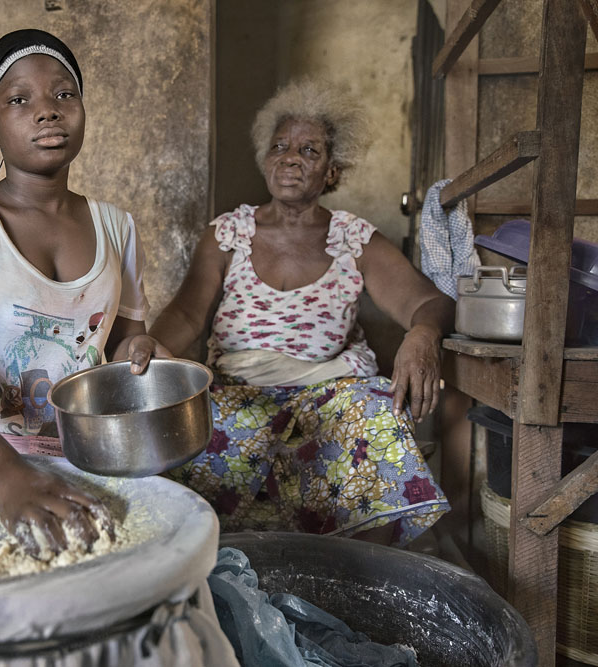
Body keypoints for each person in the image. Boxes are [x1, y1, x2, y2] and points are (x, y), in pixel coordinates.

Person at [139, 79, 453, 546]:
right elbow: (187, 314)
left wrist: (422, 336)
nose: (290, 157)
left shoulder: (354, 238)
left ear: (332, 171)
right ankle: (227, 562)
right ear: (265, 159)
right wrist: (152, 350)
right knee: (180, 431)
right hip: (239, 396)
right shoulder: (229, 233)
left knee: (376, 411)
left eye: (309, 150)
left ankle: (360, 570)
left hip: (330, 393)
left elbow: (429, 302)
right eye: (280, 146)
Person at [0, 29, 168, 555]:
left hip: (87, 462)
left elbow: (126, 347)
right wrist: (8, 479)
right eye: (20, 100)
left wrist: (141, 353)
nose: (47, 111)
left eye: (64, 94)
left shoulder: (118, 229)